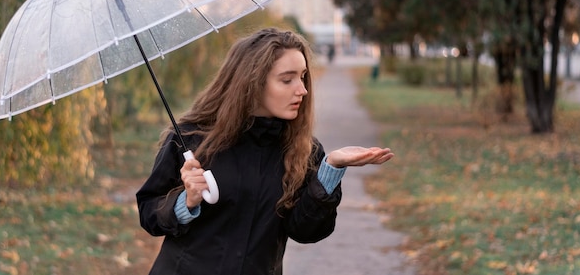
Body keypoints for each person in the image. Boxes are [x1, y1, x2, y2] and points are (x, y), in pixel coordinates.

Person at [136, 27, 394, 275]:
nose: (302, 89)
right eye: (287, 79)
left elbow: (306, 231)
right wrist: (186, 202)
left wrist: (330, 171)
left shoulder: (304, 150)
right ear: (253, 83)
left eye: (303, 76)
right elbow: (149, 212)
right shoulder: (191, 139)